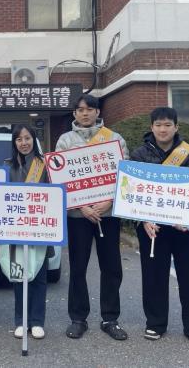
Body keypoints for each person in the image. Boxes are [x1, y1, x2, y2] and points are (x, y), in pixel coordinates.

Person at [131, 107, 189, 347]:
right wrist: (143, 220)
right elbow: (132, 190)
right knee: (153, 276)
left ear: (176, 127)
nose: (162, 129)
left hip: (184, 227)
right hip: (152, 227)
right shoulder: (139, 154)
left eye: (167, 125)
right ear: (151, 127)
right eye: (158, 125)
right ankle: (155, 323)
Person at [55, 94, 129, 341]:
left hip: (108, 213)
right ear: (74, 113)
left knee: (111, 267)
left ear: (98, 112)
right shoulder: (66, 140)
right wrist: (84, 206)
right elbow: (61, 179)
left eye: (90, 109)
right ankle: (78, 318)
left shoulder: (114, 138)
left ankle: (110, 318)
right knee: (78, 267)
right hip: (78, 215)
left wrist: (108, 202)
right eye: (80, 109)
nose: (85, 113)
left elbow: (124, 174)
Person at [0, 125, 49, 340]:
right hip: (15, 228)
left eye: (27, 138)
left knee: (39, 276)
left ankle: (37, 321)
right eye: (19, 139)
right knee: (18, 276)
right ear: (14, 143)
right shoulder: (7, 166)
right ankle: (21, 321)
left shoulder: (45, 164)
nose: (24, 143)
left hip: (40, 227)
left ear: (33, 140)